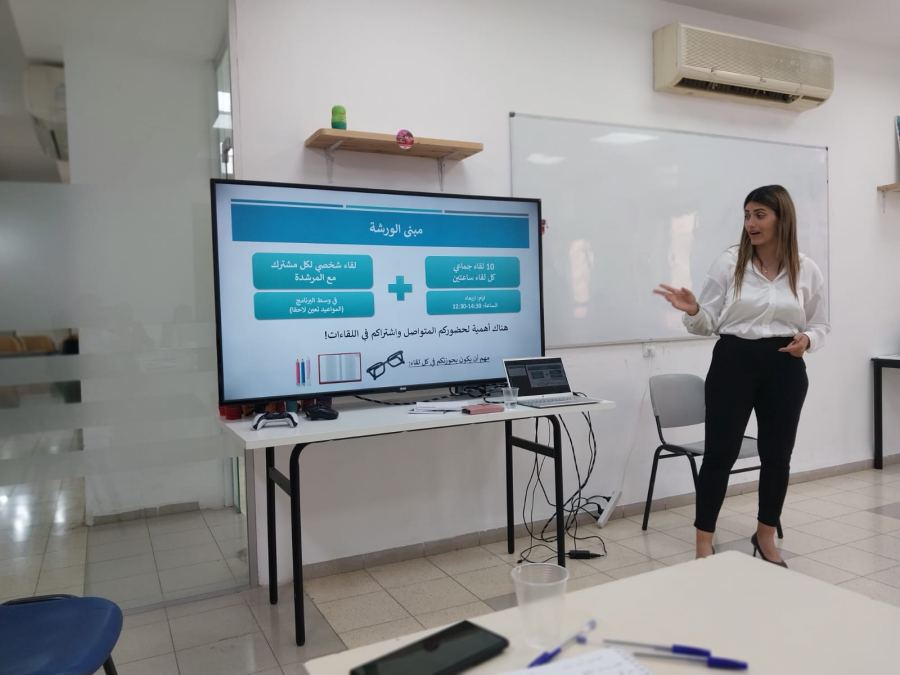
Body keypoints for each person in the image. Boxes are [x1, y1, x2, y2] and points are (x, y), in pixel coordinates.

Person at [654, 185, 829, 566]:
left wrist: (808, 340)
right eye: (747, 215)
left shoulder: (806, 269)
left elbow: (820, 324)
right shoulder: (729, 263)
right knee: (720, 454)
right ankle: (704, 542)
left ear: (782, 218)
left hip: (785, 366)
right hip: (734, 362)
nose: (750, 223)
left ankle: (765, 536)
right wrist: (693, 309)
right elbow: (707, 323)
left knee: (777, 457)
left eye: (760, 215)